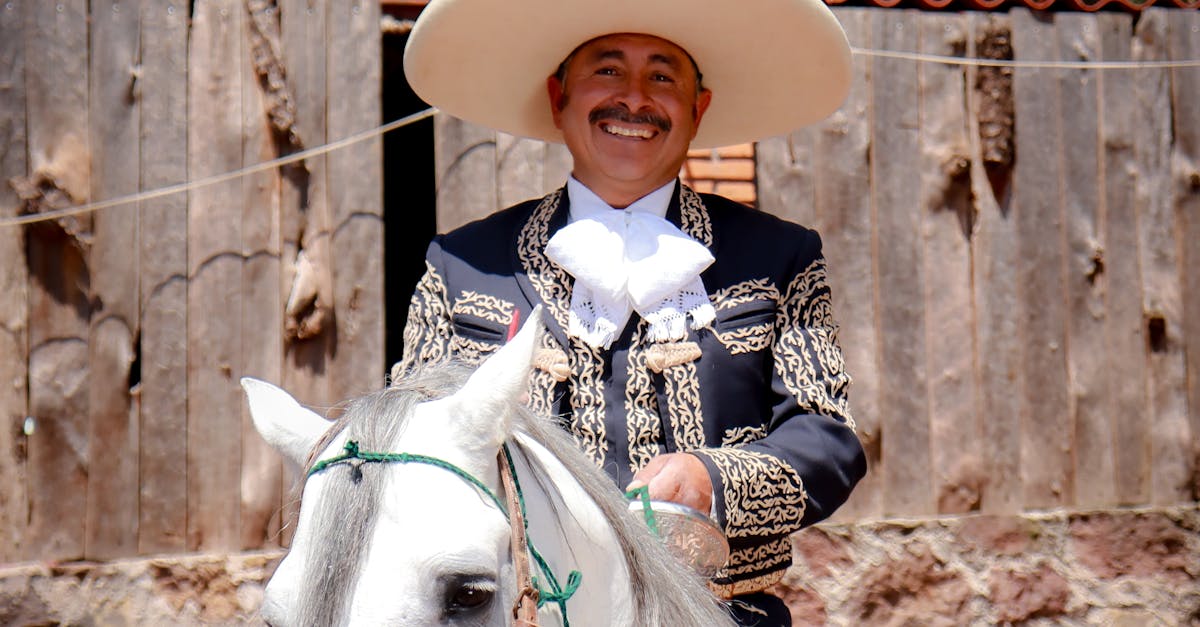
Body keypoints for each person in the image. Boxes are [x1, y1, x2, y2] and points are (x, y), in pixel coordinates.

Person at [396, 0, 867, 623]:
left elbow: (829, 440)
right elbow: (411, 451)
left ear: (697, 109)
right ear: (558, 97)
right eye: (608, 71)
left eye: (663, 76)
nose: (635, 99)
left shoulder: (780, 257)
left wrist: (713, 481)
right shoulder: (461, 265)